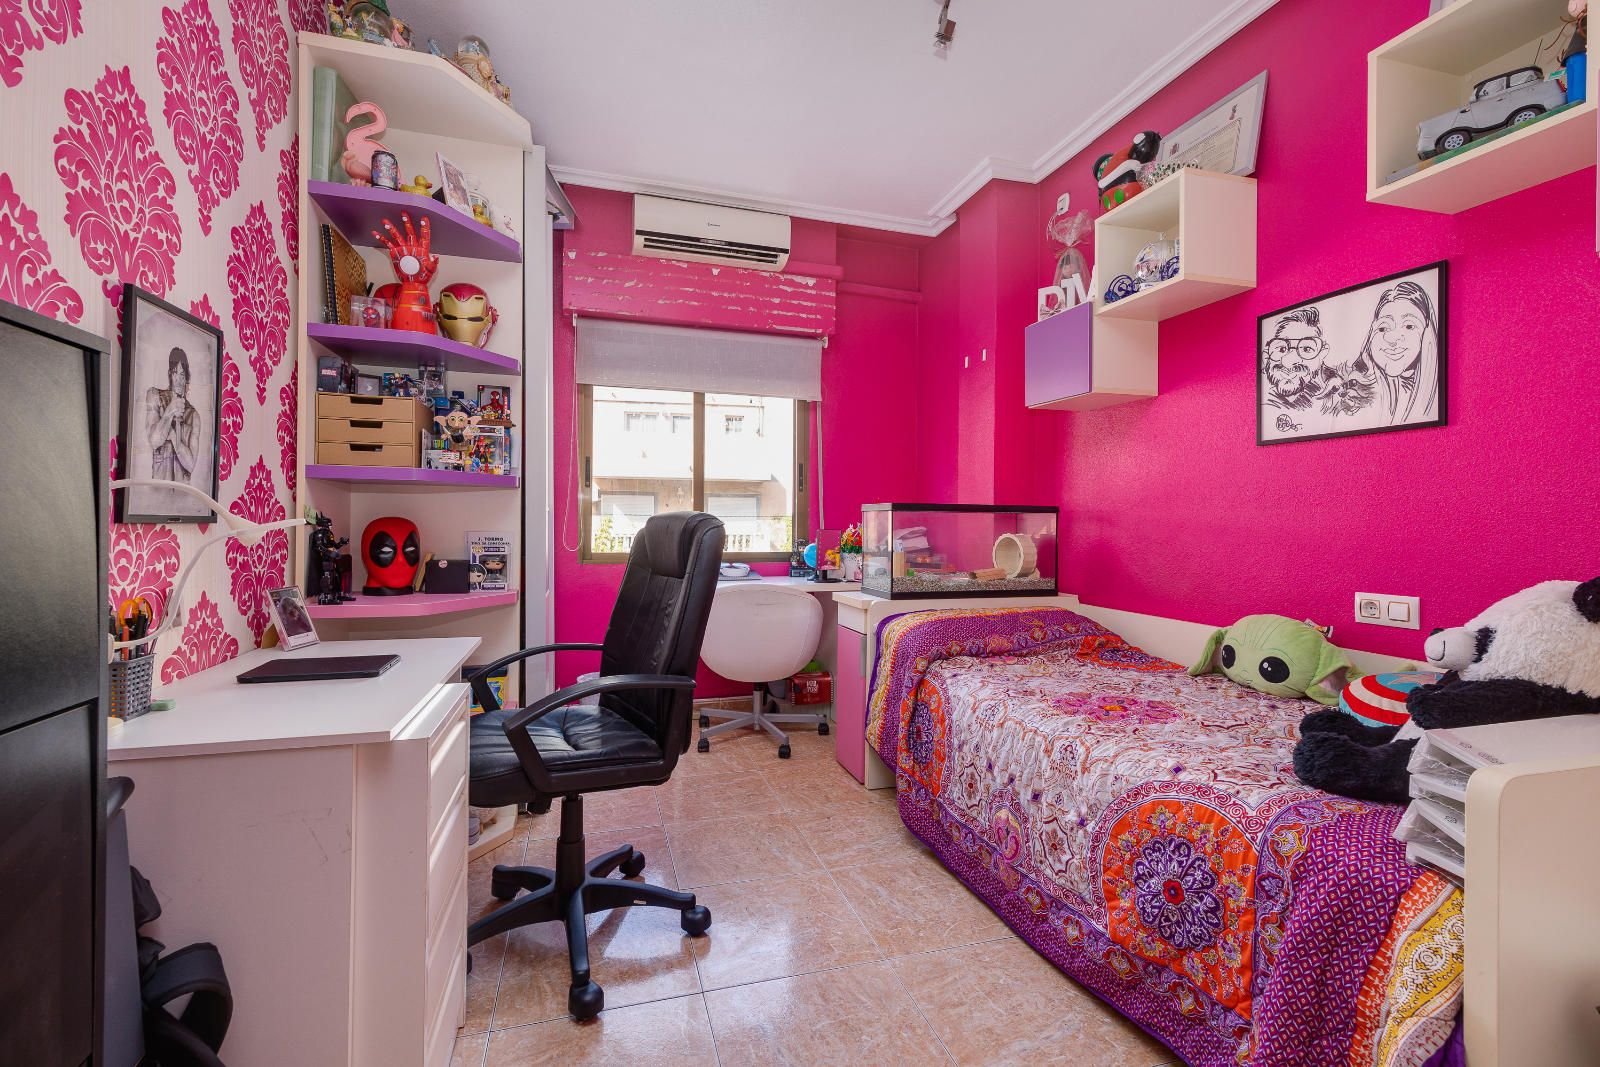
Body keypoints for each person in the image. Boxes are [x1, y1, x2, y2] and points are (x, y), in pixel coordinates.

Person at [1348, 281, 1440, 425]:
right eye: (1383, 328)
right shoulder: (1359, 389)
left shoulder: (1431, 399)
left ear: (1428, 333)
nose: (1391, 338)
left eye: (1409, 326)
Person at [146, 346, 200, 483]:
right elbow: (154, 441)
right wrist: (169, 412)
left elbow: (190, 465)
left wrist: (173, 436)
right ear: (169, 374)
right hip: (158, 488)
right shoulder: (155, 396)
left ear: (186, 378)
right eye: (175, 373)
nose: (178, 380)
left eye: (182, 375)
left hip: (182, 491)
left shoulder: (193, 415)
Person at [1262, 308, 1332, 413]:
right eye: (1282, 349)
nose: (1289, 362)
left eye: (1306, 349)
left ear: (1322, 354)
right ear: (1266, 356)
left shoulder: (1328, 397)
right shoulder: (1263, 403)